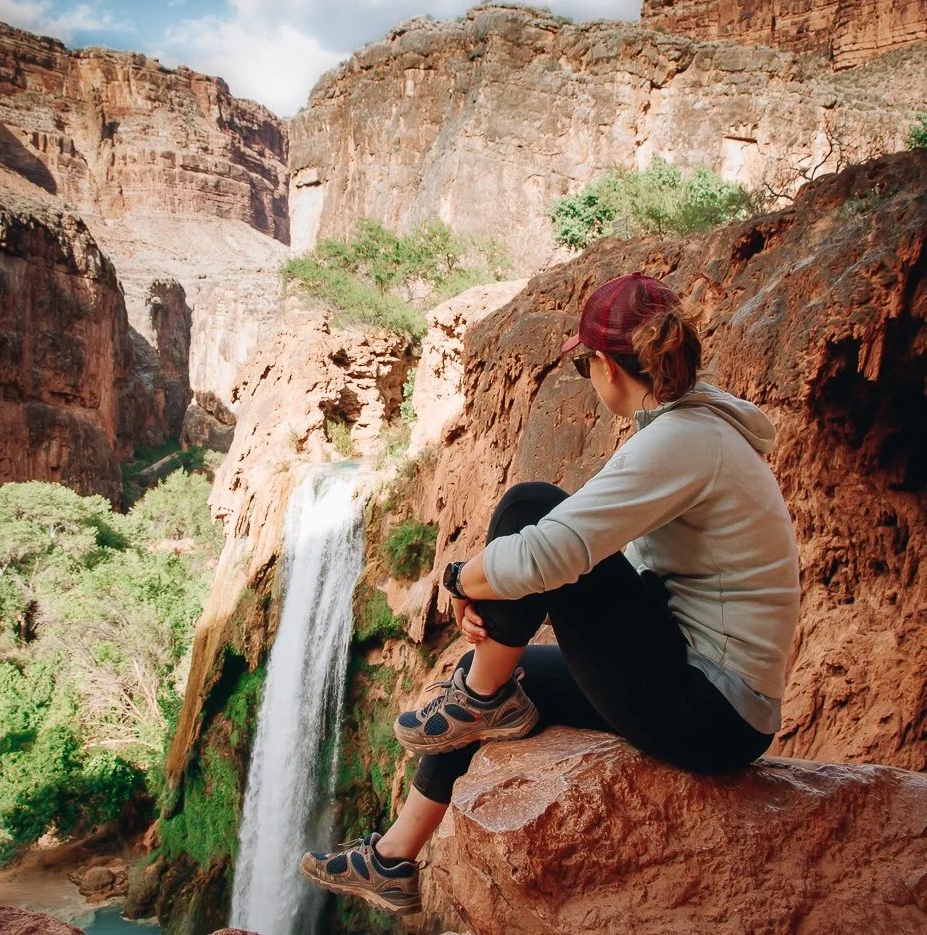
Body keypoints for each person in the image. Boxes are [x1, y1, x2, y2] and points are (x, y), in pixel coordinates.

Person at [299, 272, 801, 916]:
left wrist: (458, 579)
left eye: (586, 364)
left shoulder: (685, 441)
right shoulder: (692, 428)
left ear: (607, 368)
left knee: (530, 505)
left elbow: (550, 551)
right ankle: (395, 857)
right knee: (495, 677)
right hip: (702, 686)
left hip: (712, 712)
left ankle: (479, 700)